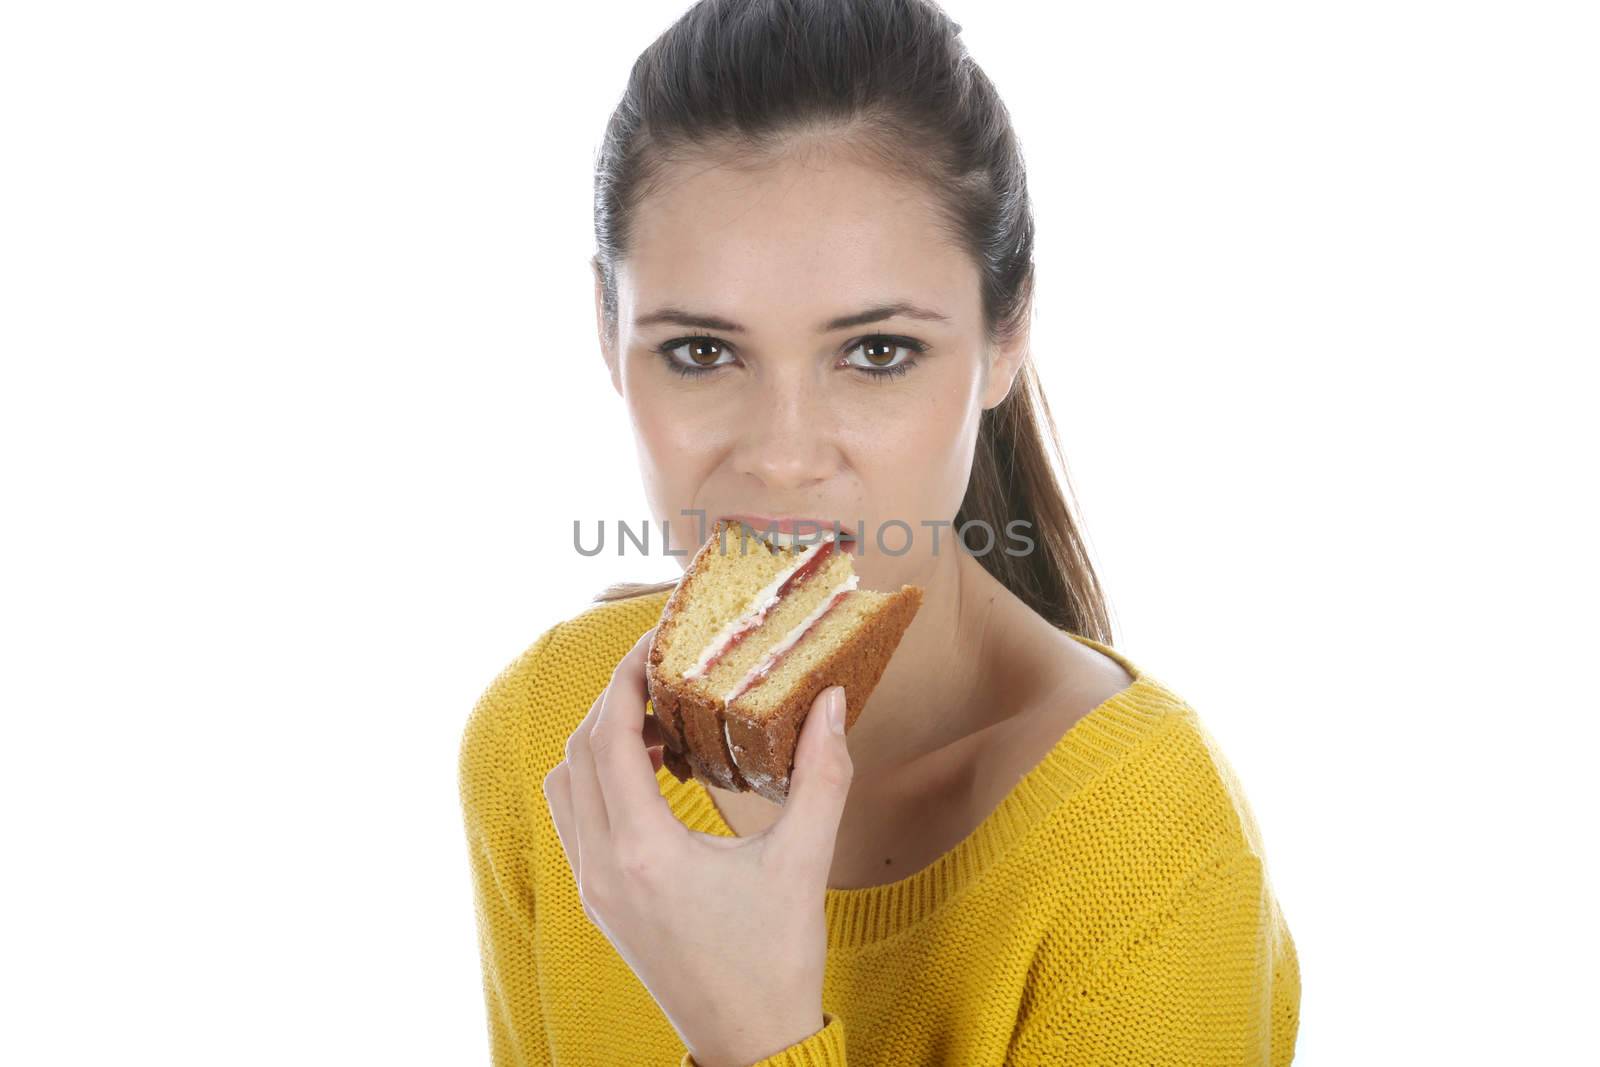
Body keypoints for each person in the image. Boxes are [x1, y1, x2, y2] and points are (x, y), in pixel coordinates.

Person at [458, 0, 1300, 1062]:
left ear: (1006, 339)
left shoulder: (1150, 850)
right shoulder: (546, 742)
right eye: (703, 353)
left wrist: (755, 1033)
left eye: (877, 353)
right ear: (608, 332)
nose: (783, 454)